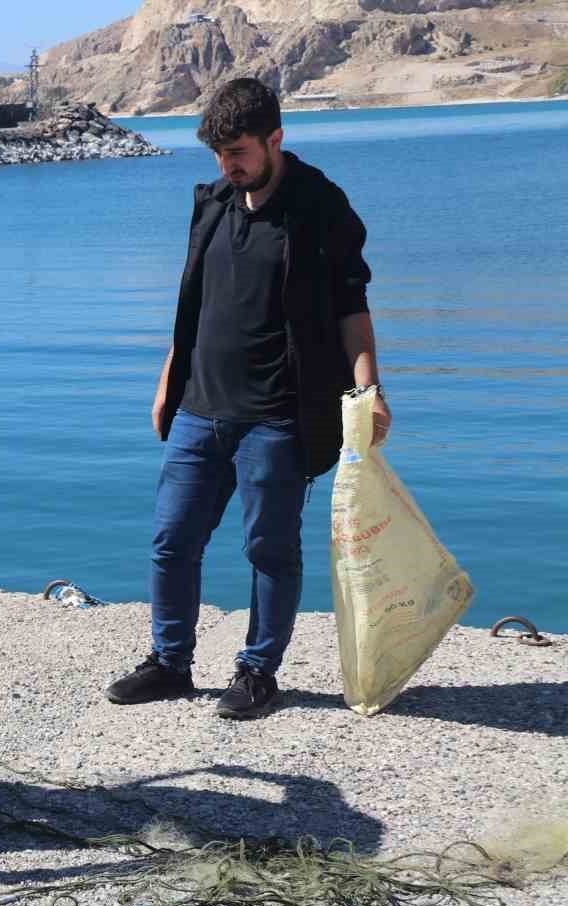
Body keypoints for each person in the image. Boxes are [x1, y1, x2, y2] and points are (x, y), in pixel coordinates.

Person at [106, 78, 391, 720]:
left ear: (276, 140)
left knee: (270, 548)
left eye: (238, 152)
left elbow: (352, 307)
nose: (228, 165)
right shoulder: (212, 202)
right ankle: (170, 663)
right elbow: (194, 303)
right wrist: (167, 382)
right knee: (172, 539)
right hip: (199, 409)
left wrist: (368, 387)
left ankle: (259, 672)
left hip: (277, 417)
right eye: (218, 154)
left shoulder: (321, 207)